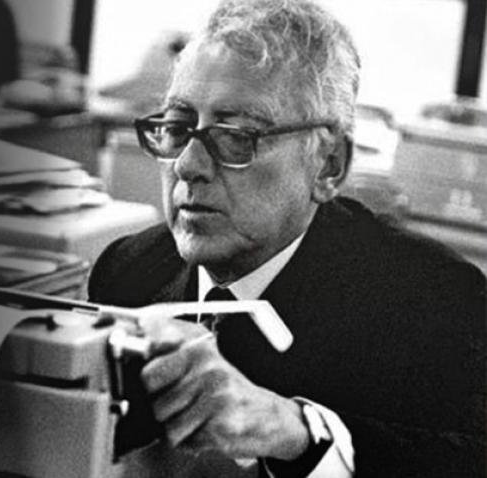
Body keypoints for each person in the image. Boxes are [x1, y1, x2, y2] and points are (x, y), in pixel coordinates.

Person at [88, 0, 486, 476]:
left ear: (329, 165)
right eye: (177, 128)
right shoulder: (125, 274)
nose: (188, 166)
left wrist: (297, 432)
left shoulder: (436, 303)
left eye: (238, 136)